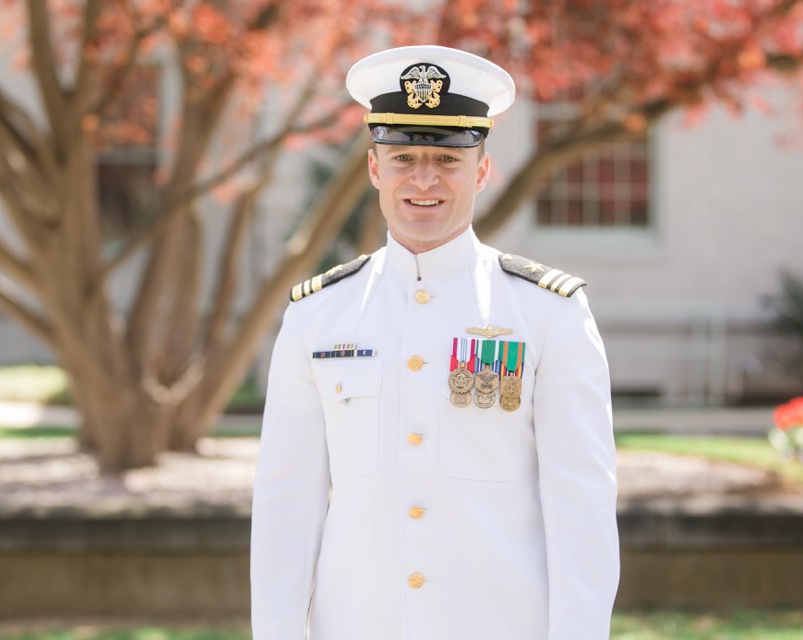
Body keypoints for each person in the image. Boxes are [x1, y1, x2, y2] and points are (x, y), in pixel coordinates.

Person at [251, 45, 620, 640]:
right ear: (375, 168)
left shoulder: (548, 315)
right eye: (403, 157)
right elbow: (284, 508)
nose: (424, 179)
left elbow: (583, 511)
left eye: (447, 160)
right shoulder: (318, 317)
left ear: (480, 169)